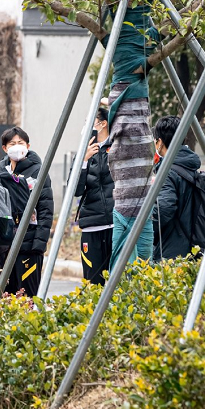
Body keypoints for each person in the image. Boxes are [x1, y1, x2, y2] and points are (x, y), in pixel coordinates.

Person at [0, 127, 54, 297]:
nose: (16, 146)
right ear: (5, 148)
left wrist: (39, 244)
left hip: (29, 245)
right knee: (7, 296)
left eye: (20, 143)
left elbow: (46, 208)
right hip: (6, 245)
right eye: (12, 143)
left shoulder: (38, 171)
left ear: (28, 146)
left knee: (28, 296)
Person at [151, 115, 200, 261]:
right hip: (189, 244)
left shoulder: (168, 171)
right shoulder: (188, 165)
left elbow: (163, 210)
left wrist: (142, 226)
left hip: (171, 250)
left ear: (159, 142)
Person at [75, 106, 114, 284]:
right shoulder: (83, 152)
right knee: (93, 283)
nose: (86, 126)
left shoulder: (117, 148)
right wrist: (83, 160)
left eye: (90, 121)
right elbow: (75, 190)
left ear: (103, 123)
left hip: (116, 224)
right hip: (91, 226)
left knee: (116, 282)